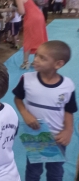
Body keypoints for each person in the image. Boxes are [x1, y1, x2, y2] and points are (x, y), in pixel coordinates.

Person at [13, 41, 77, 181]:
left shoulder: (67, 86)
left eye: (43, 58)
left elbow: (69, 110)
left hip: (57, 138)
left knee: (55, 173)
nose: (35, 59)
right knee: (33, 172)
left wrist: (68, 131)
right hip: (35, 136)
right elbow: (18, 99)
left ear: (58, 64)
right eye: (36, 55)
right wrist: (25, 114)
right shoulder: (26, 79)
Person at [0, 0, 48, 69]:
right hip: (39, 17)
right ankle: (35, 61)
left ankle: (25, 62)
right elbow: (13, 9)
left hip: (31, 18)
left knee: (28, 39)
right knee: (38, 38)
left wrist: (15, 11)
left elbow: (22, 12)